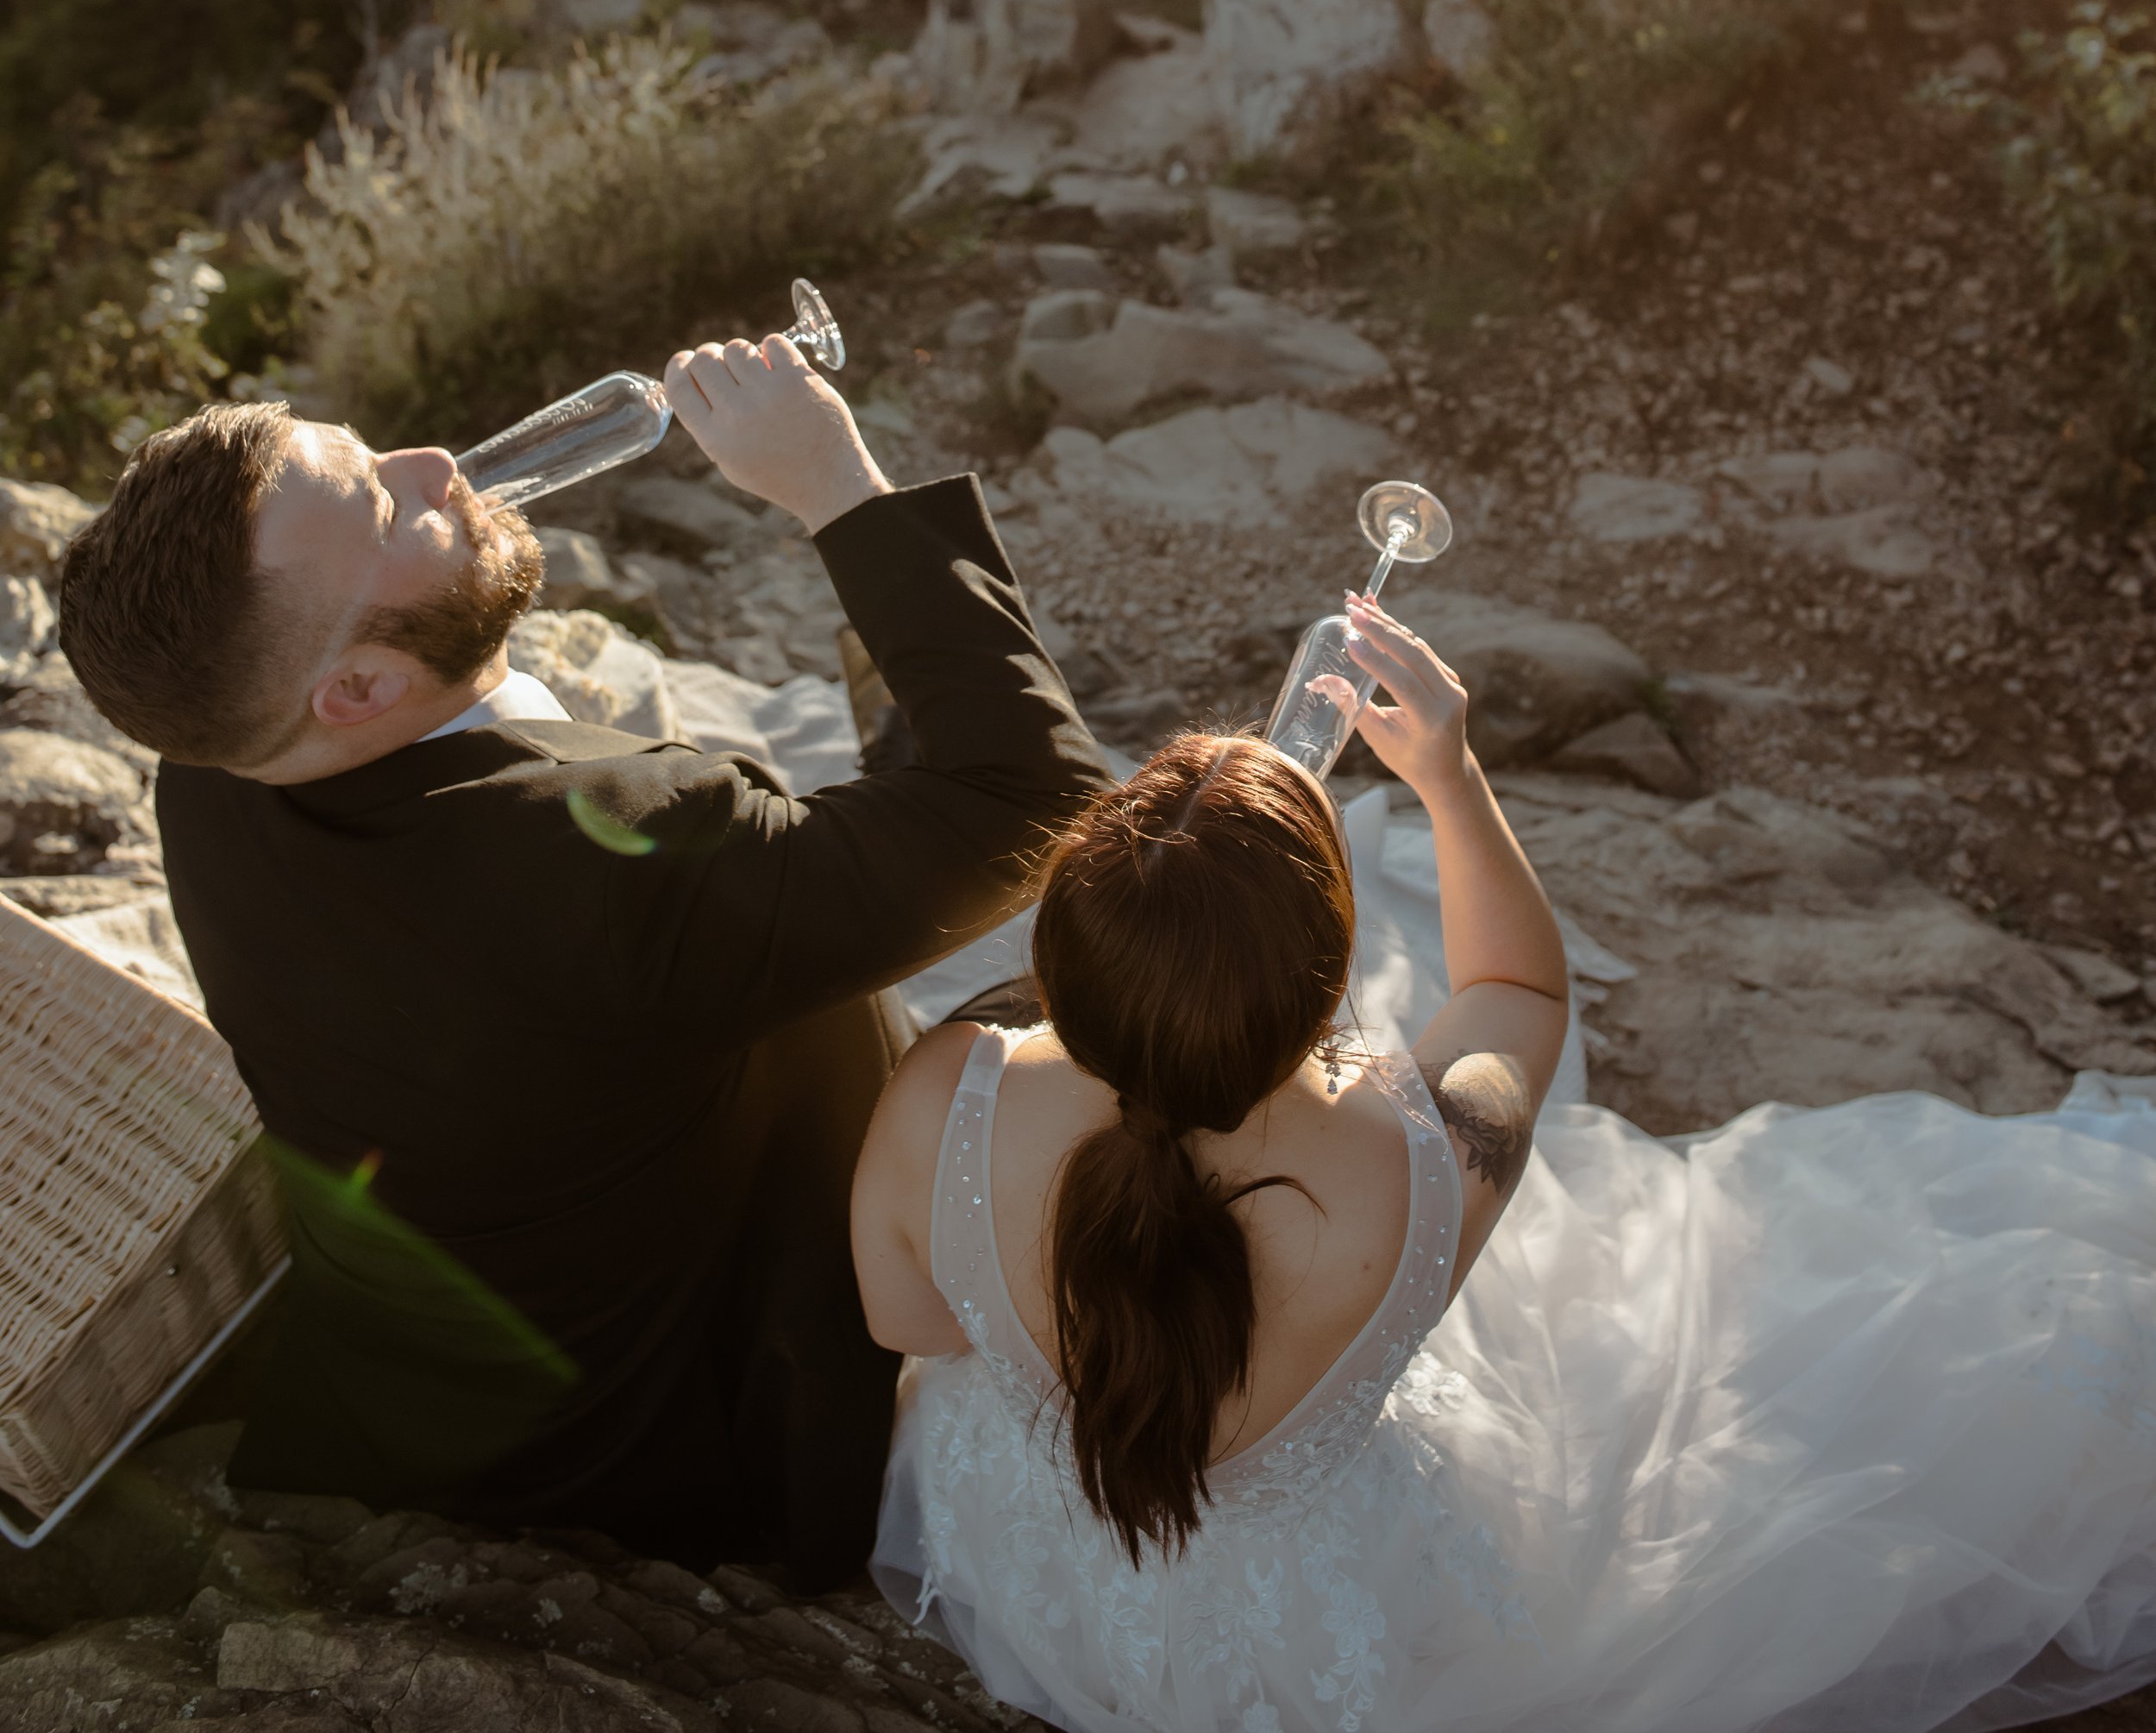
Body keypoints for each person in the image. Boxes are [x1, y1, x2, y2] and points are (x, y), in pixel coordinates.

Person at [851, 594, 2156, 1733]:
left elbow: (906, 1320)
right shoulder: (1426, 1161)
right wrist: (1451, 774)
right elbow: (1519, 987)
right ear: (1319, 995)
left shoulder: (937, 1097)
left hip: (1042, 1592)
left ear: (1066, 963)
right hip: (1331, 1640)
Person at [57, 336, 1111, 1586]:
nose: (434, 460)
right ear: (358, 689)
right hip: (682, 1449)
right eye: (389, 505)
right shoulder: (607, 860)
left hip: (412, 1400)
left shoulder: (213, 766)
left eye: (369, 453)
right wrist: (838, 486)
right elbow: (1035, 794)